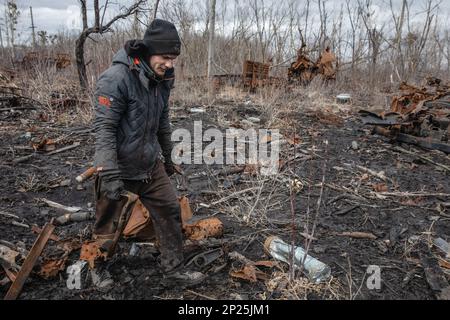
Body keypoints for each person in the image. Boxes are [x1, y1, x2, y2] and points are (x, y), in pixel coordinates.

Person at [92, 19, 205, 287]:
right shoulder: (116, 79)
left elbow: (162, 120)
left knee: (169, 210)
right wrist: (108, 171)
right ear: (148, 51)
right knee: (109, 222)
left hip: (149, 164)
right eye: (165, 57)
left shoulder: (162, 78)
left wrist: (168, 157)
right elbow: (104, 129)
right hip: (118, 165)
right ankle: (98, 266)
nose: (170, 64)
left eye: (174, 58)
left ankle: (173, 268)